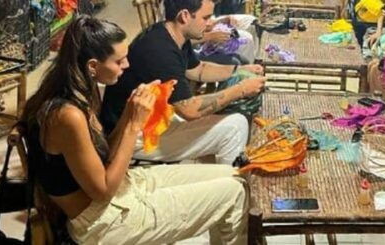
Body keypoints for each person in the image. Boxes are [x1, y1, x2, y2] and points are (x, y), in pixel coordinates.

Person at [21, 16, 247, 245]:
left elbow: (105, 155)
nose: (127, 65)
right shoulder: (67, 115)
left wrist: (129, 112)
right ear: (92, 66)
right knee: (234, 193)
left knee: (236, 176)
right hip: (100, 222)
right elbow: (103, 191)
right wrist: (133, 125)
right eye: (119, 61)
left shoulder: (82, 88)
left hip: (120, 189)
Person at [100, 0, 265, 164]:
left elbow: (199, 70)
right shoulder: (159, 50)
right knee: (235, 126)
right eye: (205, 17)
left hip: (154, 118)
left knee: (229, 118)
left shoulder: (172, 34)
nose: (210, 23)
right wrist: (241, 89)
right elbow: (190, 110)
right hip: (133, 135)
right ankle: (229, 179)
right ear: (185, 15)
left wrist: (239, 70)